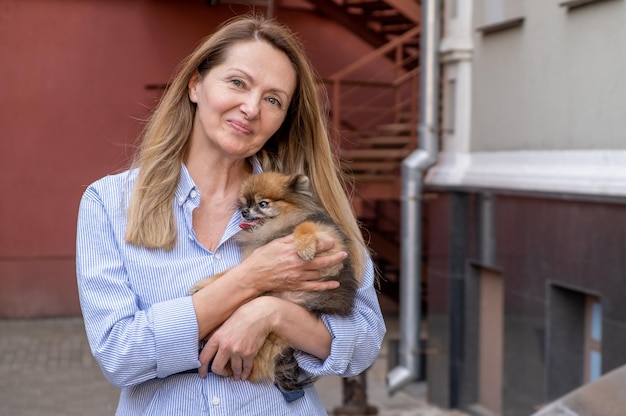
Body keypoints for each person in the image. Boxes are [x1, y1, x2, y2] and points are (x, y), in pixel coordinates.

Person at [76, 14, 386, 415]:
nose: (252, 107)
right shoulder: (109, 203)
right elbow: (120, 355)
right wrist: (249, 280)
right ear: (195, 85)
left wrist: (273, 313)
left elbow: (363, 343)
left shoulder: (301, 205)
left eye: (274, 99)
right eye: (237, 83)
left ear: (282, 120)